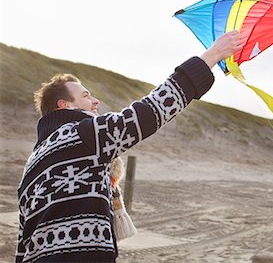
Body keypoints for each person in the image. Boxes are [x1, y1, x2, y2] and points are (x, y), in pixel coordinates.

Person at [16, 31, 242, 263]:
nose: (95, 101)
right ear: (64, 106)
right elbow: (150, 111)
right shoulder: (82, 134)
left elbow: (22, 245)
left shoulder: (32, 163)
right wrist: (212, 55)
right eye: (85, 96)